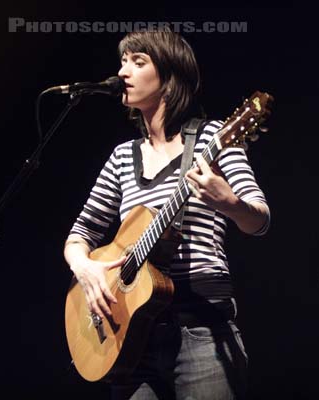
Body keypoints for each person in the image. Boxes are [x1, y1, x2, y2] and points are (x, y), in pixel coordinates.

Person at [63, 28, 270, 399]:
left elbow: (260, 220)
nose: (123, 71)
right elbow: (80, 235)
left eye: (138, 62)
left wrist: (228, 203)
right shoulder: (122, 157)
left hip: (202, 332)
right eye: (123, 61)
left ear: (170, 77)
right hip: (130, 339)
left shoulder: (215, 138)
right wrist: (86, 269)